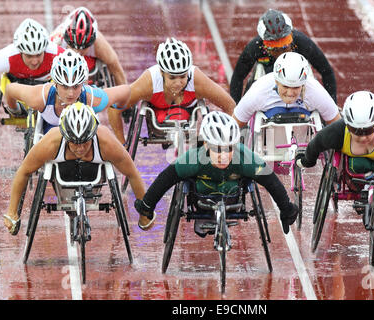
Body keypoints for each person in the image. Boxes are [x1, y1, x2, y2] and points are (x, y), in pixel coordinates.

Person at [133, 111, 298, 236]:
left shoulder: (245, 157)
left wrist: (286, 208)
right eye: (217, 149)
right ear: (205, 145)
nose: (224, 155)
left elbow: (271, 181)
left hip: (232, 197)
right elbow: (166, 179)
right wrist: (148, 205)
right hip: (201, 199)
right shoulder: (194, 158)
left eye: (229, 148)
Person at [3, 102, 147, 235]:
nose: (80, 148)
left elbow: (132, 173)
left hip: (93, 174)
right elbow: (24, 171)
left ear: (93, 135)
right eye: (74, 143)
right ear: (65, 136)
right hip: (62, 174)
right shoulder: (51, 142)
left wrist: (144, 213)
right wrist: (12, 212)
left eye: (85, 142)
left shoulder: (106, 142)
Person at [108, 37, 236, 145]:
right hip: (157, 115)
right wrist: (122, 144)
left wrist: (228, 142)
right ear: (162, 73)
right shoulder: (149, 82)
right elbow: (113, 109)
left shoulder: (197, 79)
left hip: (186, 115)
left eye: (183, 76)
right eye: (172, 77)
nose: (178, 83)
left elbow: (230, 106)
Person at [4, 49, 130, 133]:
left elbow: (126, 91)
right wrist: (15, 110)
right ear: (55, 83)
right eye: (65, 86)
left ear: (84, 84)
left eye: (76, 87)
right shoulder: (38, 97)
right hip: (50, 131)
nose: (70, 94)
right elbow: (10, 89)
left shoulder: (93, 99)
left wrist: (120, 109)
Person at [230, 8, 337, 104]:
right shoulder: (255, 47)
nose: (281, 52)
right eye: (275, 48)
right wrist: (235, 107)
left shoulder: (302, 43)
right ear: (264, 43)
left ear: (290, 37)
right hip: (268, 79)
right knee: (251, 86)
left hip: (298, 83)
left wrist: (332, 103)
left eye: (284, 46)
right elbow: (238, 77)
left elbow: (326, 72)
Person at [233, 51, 340, 128]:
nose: (290, 93)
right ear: (276, 81)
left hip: (303, 135)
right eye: (285, 86)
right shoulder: (259, 90)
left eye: (296, 87)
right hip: (268, 138)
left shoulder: (315, 91)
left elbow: (337, 124)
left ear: (303, 85)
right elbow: (235, 125)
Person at [50, 6, 127, 86]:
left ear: (92, 42)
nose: (77, 52)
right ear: (66, 40)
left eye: (83, 48)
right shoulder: (56, 41)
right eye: (73, 47)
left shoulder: (99, 45)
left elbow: (117, 72)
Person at [0, 18, 65, 85]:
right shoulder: (8, 57)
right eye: (29, 56)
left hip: (46, 89)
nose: (34, 61)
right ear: (20, 52)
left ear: (45, 50)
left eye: (38, 55)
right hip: (14, 90)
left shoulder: (57, 55)